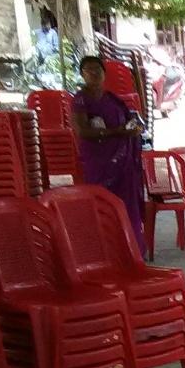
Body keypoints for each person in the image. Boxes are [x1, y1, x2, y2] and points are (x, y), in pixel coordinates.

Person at [70, 55, 147, 256]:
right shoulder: (80, 100)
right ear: (82, 74)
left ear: (104, 73)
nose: (94, 73)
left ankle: (131, 250)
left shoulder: (113, 99)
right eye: (88, 70)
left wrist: (133, 129)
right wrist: (116, 132)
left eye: (98, 69)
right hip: (99, 163)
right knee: (102, 206)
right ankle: (105, 252)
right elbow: (83, 131)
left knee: (125, 206)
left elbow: (133, 121)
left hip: (123, 163)